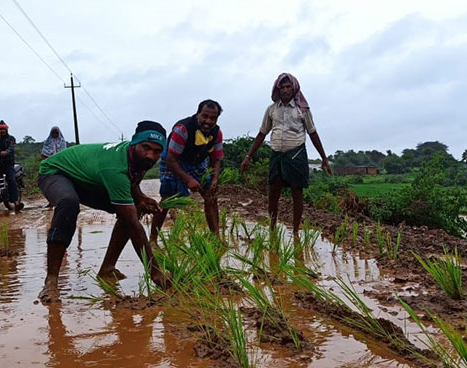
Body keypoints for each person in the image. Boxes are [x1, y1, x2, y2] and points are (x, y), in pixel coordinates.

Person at [37, 121, 169, 304]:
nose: (150, 155)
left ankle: (107, 268)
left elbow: (131, 179)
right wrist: (155, 271)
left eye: (156, 151)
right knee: (69, 203)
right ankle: (51, 281)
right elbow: (132, 222)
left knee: (130, 209)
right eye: (146, 147)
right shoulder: (115, 167)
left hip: (85, 178)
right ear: (134, 143)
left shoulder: (136, 157)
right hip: (55, 172)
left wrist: (140, 197)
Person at [240, 73, 332, 238]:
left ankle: (296, 231)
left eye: (288, 87)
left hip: (296, 154)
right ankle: (273, 229)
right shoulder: (271, 110)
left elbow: (312, 133)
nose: (285, 90)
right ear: (277, 89)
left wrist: (324, 158)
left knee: (297, 194)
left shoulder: (302, 110)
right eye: (282, 87)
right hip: (277, 155)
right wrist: (248, 156)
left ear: (294, 88)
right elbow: (262, 134)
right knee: (273, 192)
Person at [150, 100, 224, 243]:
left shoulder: (217, 133)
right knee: (167, 199)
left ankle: (216, 238)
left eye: (213, 118)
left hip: (196, 162)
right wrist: (188, 179)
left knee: (211, 195)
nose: (208, 121)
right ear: (198, 114)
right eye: (205, 116)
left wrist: (214, 179)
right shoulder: (183, 129)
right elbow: (171, 160)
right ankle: (152, 240)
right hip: (173, 159)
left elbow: (215, 160)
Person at [0, 120, 24, 211]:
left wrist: (6, 152)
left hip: (7, 162)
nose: (1, 130)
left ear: (6, 129)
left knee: (11, 179)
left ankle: (16, 203)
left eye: (3, 129)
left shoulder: (11, 138)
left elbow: (11, 148)